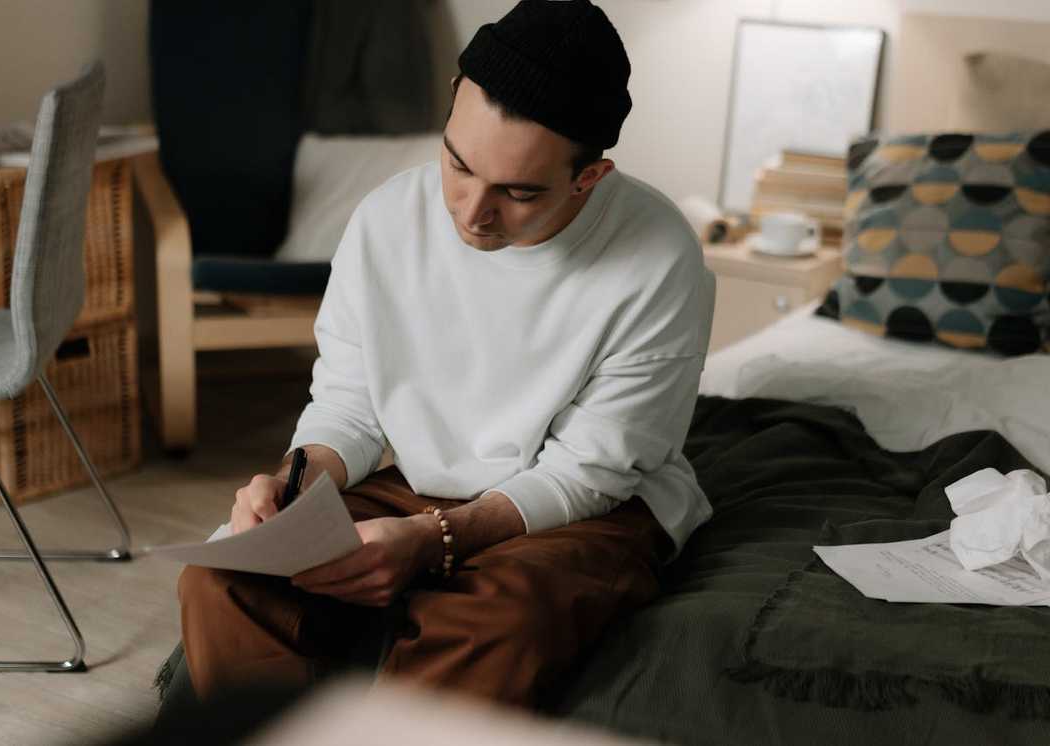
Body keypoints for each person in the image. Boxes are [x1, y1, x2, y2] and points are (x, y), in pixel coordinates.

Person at [178, 0, 713, 710]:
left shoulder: (659, 257)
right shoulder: (385, 219)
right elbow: (349, 405)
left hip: (583, 506)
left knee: (494, 619)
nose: (469, 212)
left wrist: (434, 541)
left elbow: (593, 469)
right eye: (458, 164)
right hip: (412, 482)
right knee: (223, 579)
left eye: (518, 192)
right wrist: (290, 485)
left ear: (590, 177)